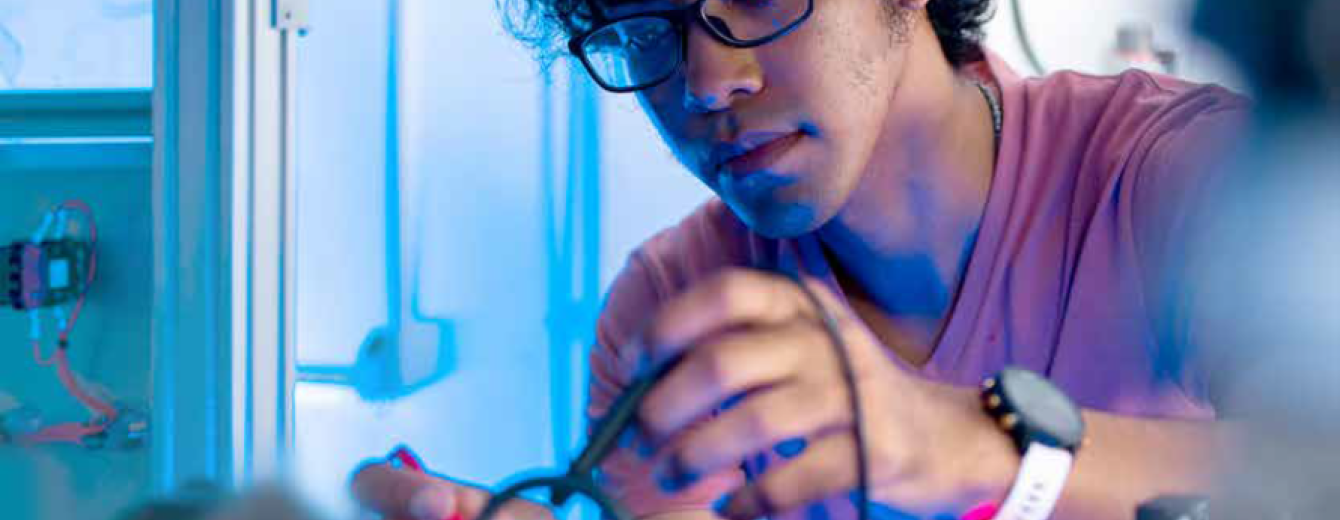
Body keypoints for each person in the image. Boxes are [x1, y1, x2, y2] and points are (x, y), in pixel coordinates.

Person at [352, 0, 1250, 519]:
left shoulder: (1175, 179)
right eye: (643, 25)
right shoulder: (672, 307)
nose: (706, 81)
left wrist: (981, 446)